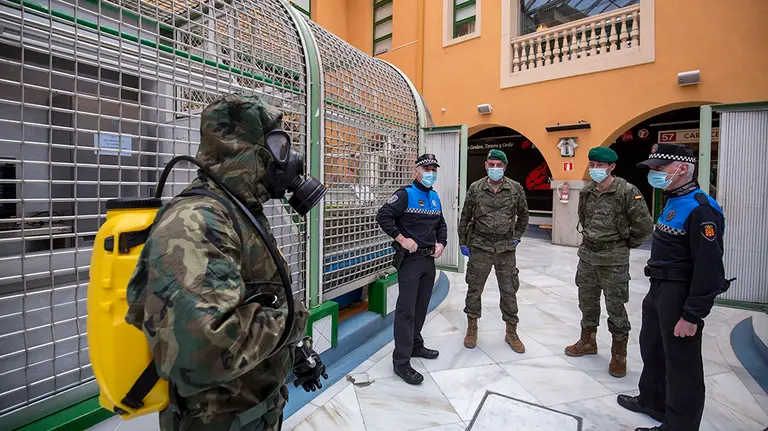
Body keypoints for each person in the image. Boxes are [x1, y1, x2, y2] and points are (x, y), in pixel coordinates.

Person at [125, 94, 327, 431]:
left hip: (258, 411)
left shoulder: (240, 211)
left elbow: (262, 296)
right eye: (276, 145)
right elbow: (202, 349)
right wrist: (294, 321)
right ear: (241, 149)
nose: (287, 159)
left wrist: (296, 352)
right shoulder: (196, 221)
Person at [618, 143, 726, 431]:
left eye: (659, 168)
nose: (654, 173)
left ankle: (679, 425)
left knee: (682, 364)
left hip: (679, 293)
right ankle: (652, 401)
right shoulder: (674, 199)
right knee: (652, 347)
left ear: (681, 169)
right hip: (659, 288)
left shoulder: (702, 209)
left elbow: (709, 269)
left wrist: (692, 315)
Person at [565, 147, 653, 378]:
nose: (595, 169)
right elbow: (584, 219)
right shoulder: (586, 192)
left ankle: (619, 353)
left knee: (616, 307)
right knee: (587, 302)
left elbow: (644, 227)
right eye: (592, 165)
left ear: (611, 167)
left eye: (599, 165)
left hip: (613, 260)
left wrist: (623, 245)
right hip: (587, 258)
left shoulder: (626, 191)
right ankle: (588, 341)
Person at [376, 153, 447, 385]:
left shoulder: (434, 197)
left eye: (433, 169)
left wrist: (441, 242)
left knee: (421, 307)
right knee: (406, 310)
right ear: (416, 171)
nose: (431, 173)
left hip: (428, 261)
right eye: (426, 169)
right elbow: (383, 216)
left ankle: (416, 345)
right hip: (411, 260)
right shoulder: (405, 194)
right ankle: (401, 362)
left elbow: (442, 224)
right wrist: (402, 238)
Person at [458, 149, 529, 353]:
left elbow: (524, 215)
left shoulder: (515, 189)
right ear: (486, 166)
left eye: (499, 165)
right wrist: (463, 241)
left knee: (509, 290)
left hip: (506, 248)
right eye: (492, 164)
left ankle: (511, 332)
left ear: (505, 167)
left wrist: (516, 237)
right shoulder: (475, 188)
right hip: (480, 246)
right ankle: (472, 328)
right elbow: (465, 216)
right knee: (474, 288)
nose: (495, 168)